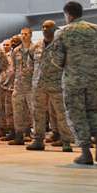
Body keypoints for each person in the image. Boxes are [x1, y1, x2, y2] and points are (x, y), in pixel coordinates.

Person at [52, 1, 97, 165]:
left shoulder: (64, 32)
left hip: (74, 81)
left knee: (76, 115)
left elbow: (57, 60)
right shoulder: (96, 30)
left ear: (68, 15)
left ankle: (86, 153)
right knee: (93, 111)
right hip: (95, 80)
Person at [28, 20, 72, 153]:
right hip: (39, 85)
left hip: (57, 85)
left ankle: (66, 142)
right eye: (43, 27)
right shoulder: (35, 47)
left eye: (48, 27)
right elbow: (31, 65)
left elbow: (67, 64)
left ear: (55, 29)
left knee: (61, 114)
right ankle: (38, 140)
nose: (44, 29)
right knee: (37, 114)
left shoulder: (61, 46)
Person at [9, 27, 37, 145]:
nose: (24, 36)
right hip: (19, 86)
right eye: (22, 34)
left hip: (32, 86)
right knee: (18, 112)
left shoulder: (36, 48)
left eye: (26, 34)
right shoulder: (16, 51)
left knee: (35, 112)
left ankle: (37, 137)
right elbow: (14, 69)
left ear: (31, 35)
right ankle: (19, 136)